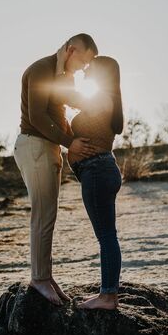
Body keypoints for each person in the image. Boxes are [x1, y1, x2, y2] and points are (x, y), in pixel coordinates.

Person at [13, 34, 99, 306]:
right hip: (35, 146)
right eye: (84, 61)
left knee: (47, 216)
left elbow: (71, 103)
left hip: (46, 148)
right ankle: (39, 279)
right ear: (71, 50)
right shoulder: (41, 69)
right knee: (42, 215)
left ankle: (45, 276)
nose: (84, 69)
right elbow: (38, 116)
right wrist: (69, 144)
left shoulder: (62, 75)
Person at [53, 52, 124, 310]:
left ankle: (107, 297)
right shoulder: (105, 99)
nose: (86, 70)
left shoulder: (102, 97)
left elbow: (68, 97)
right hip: (100, 171)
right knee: (107, 235)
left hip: (97, 172)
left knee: (106, 236)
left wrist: (63, 71)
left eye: (90, 67)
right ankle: (109, 294)